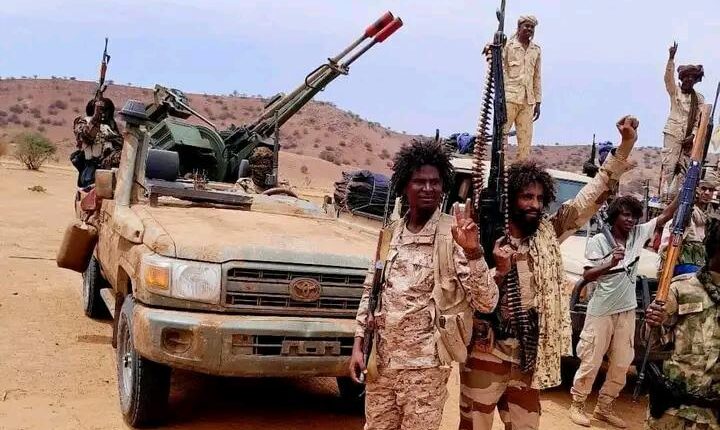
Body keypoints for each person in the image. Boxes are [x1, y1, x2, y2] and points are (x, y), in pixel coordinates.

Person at [459, 116, 640, 430]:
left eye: (540, 198)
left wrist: (624, 148)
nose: (535, 204)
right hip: (486, 353)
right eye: (527, 197)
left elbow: (589, 199)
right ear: (510, 198)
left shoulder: (547, 232)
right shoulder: (486, 235)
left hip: (528, 355)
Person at [349, 138, 499, 430]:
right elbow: (371, 293)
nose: (428, 188)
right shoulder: (390, 234)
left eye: (435, 182)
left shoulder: (453, 236)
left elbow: (487, 302)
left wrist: (473, 252)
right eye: (420, 181)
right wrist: (358, 346)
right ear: (405, 185)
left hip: (425, 372)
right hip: (381, 364)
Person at [569, 195, 677, 428]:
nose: (630, 220)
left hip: (627, 310)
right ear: (615, 216)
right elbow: (588, 275)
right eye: (625, 215)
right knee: (591, 360)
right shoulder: (599, 240)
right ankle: (577, 403)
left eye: (634, 216)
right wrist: (610, 263)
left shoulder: (638, 234)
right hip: (601, 310)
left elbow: (665, 215)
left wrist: (688, 184)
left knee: (621, 364)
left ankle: (604, 407)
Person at [643, 220, 720, 430]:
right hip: (675, 411)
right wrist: (653, 323)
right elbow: (651, 343)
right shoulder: (683, 288)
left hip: (713, 417)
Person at [661, 42, 705, 201]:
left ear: (695, 81)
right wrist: (671, 58)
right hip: (673, 134)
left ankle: (675, 201)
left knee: (682, 170)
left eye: (692, 78)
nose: (688, 80)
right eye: (686, 77)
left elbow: (699, 121)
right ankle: (664, 199)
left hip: (688, 140)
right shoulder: (675, 92)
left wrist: (692, 136)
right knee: (669, 167)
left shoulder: (698, 99)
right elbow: (668, 79)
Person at [659, 169, 719, 276]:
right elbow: (670, 245)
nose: (707, 193)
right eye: (703, 188)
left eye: (710, 190)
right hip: (680, 265)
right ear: (696, 190)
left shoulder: (707, 219)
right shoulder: (685, 213)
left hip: (698, 264)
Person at [502, 15, 542, 161]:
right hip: (509, 97)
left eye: (532, 27)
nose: (529, 29)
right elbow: (501, 69)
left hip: (528, 100)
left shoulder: (536, 50)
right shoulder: (508, 46)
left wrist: (538, 101)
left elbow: (537, 77)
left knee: (525, 141)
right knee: (501, 137)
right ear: (519, 27)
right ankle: (501, 168)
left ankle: (520, 171)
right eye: (526, 26)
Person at [71, 97, 123, 189]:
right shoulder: (83, 122)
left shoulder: (111, 127)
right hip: (91, 173)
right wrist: (96, 119)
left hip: (110, 172)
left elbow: (121, 145)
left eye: (107, 110)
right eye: (102, 110)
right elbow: (86, 137)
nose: (105, 114)